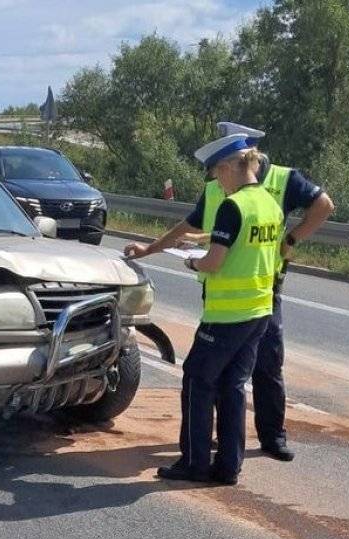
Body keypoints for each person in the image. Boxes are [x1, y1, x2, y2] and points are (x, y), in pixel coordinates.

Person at [125, 121, 334, 462]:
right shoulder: (217, 189)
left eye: (222, 166)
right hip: (227, 295)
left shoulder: (283, 180)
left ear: (242, 157)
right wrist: (151, 248)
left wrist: (291, 239)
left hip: (262, 290)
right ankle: (222, 449)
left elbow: (323, 205)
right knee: (229, 377)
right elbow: (193, 224)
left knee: (260, 367)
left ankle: (270, 437)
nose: (217, 176)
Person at [151, 133, 284, 484]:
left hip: (226, 316)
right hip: (259, 311)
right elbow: (248, 245)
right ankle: (228, 466)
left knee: (197, 380)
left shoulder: (233, 205)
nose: (216, 182)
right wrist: (201, 240)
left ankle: (194, 463)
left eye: (216, 174)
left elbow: (214, 262)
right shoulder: (270, 203)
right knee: (233, 386)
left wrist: (192, 263)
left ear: (228, 167)